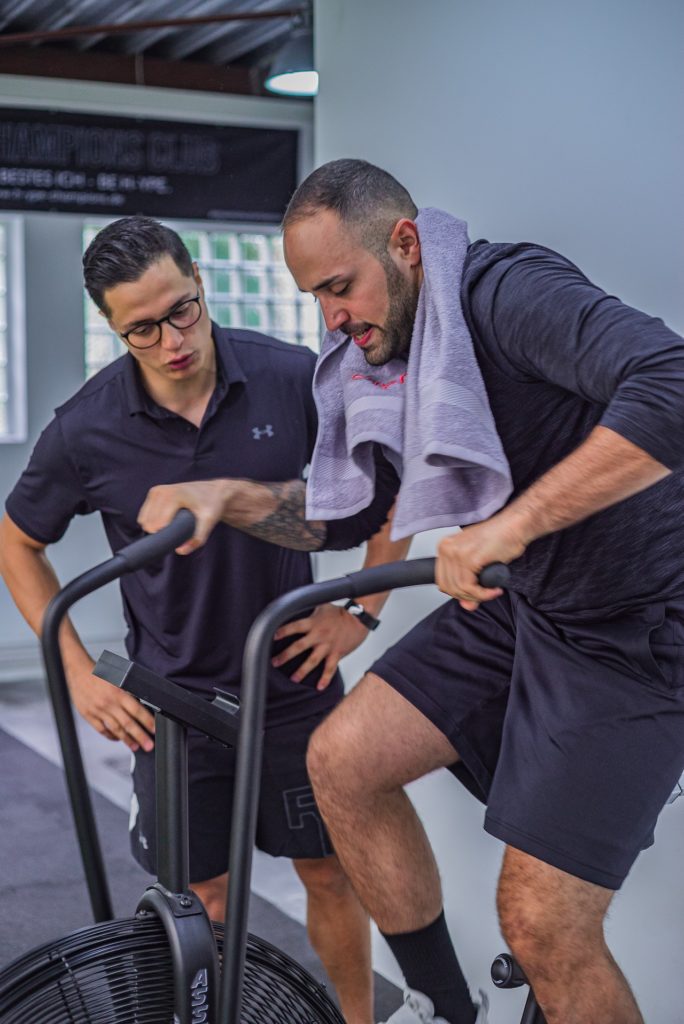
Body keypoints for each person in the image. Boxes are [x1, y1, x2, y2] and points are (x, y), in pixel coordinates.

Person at [137, 159, 684, 1024]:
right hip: (532, 600)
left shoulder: (506, 293)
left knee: (542, 926)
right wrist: (231, 500)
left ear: (405, 243)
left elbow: (673, 383)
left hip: (641, 626)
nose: (334, 318)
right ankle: (442, 1011)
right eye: (315, 298)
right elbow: (357, 516)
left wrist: (513, 526)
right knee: (342, 761)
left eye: (341, 287)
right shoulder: (391, 350)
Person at [0, 214, 411, 1024]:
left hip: (293, 682)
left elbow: (390, 492)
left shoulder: (292, 377)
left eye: (181, 310)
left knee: (329, 872)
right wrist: (78, 672)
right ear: (112, 326)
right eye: (142, 329)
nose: (172, 340)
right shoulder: (86, 427)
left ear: (199, 280)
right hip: (172, 706)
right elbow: (16, 543)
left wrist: (360, 611)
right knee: (202, 898)